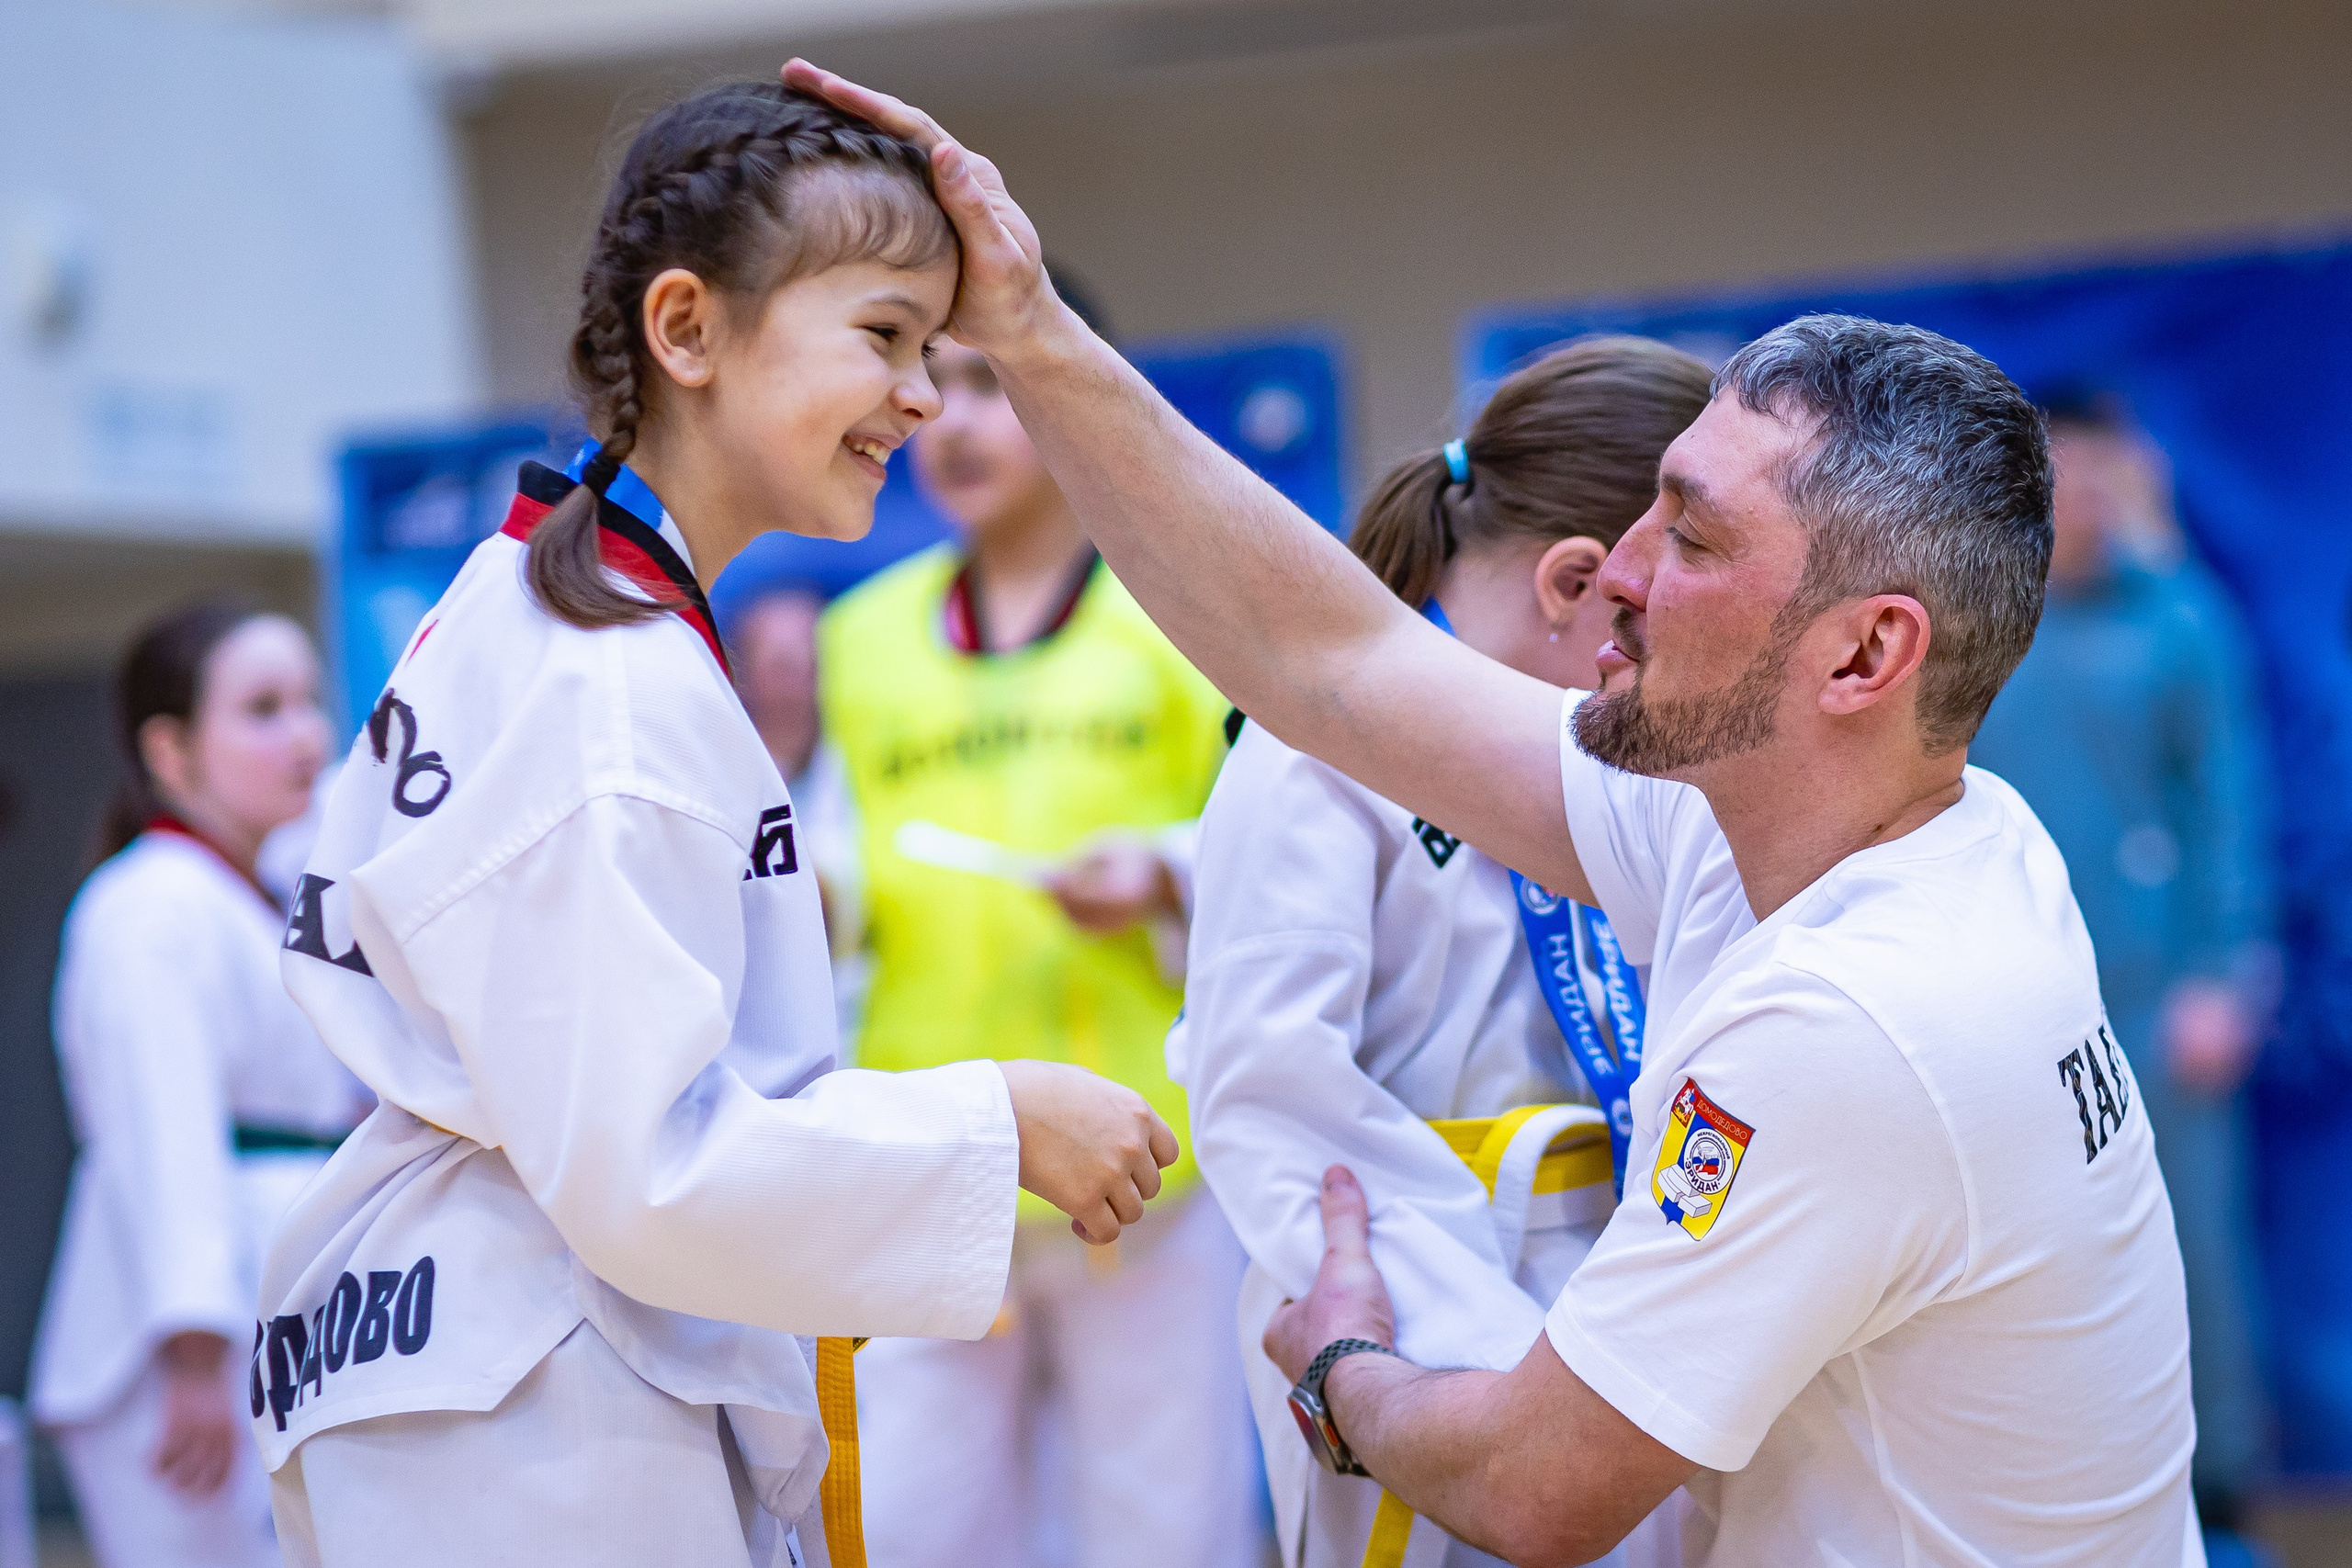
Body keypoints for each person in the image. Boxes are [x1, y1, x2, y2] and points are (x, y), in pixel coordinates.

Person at [785, 61, 2199, 1563]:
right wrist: (1029, 328)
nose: (1624, 569)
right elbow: (1340, 665)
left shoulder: (1864, 1018)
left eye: (1697, 538)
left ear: (1865, 653)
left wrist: (1342, 1363)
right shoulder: (1834, 828)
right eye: (1653, 499)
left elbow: (1537, 1484)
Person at [250, 83, 1175, 1568]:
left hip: (482, 1354)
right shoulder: (613, 684)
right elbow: (646, 1164)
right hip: (536, 1397)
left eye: (938, 353)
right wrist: (998, 1116)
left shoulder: (557, 607)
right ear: (687, 332)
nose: (926, 399)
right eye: (883, 338)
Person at [1172, 337, 1711, 1568]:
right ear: (1581, 583)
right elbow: (1268, 1097)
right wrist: (1488, 1369)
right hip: (1407, 1303)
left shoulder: (1623, 757)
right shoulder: (1309, 751)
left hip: (1625, 1294)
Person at [819, 277, 1250, 1568]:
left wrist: (1169, 870)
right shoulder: (861, 635)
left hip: (1153, 1166)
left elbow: (1284, 854)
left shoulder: (1183, 610)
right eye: (928, 380)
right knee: (911, 1527)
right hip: (934, 1156)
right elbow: (832, 859)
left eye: (996, 382)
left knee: (1164, 1527)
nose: (953, 420)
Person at [1970, 389, 2276, 1561]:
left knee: (2192, 1254)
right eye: (2062, 473)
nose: (2082, 495)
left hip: (2159, 1004)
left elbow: (2228, 810)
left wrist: (2226, 977)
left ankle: (2220, 1503)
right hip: (2011, 1006)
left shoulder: (2182, 621)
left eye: (2100, 471)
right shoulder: (1981, 621)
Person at [30, 601, 370, 1568]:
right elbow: (164, 1141)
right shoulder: (148, 906)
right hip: (181, 1354)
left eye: (309, 701)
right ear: (172, 752)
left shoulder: (237, 896)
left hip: (259, 1326)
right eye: (262, 709)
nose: (305, 734)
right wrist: (192, 1355)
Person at [729, 581, 866, 1041]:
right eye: (779, 664)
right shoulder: (720, 776)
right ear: (741, 674)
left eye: (812, 664)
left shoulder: (865, 764)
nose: (797, 681)